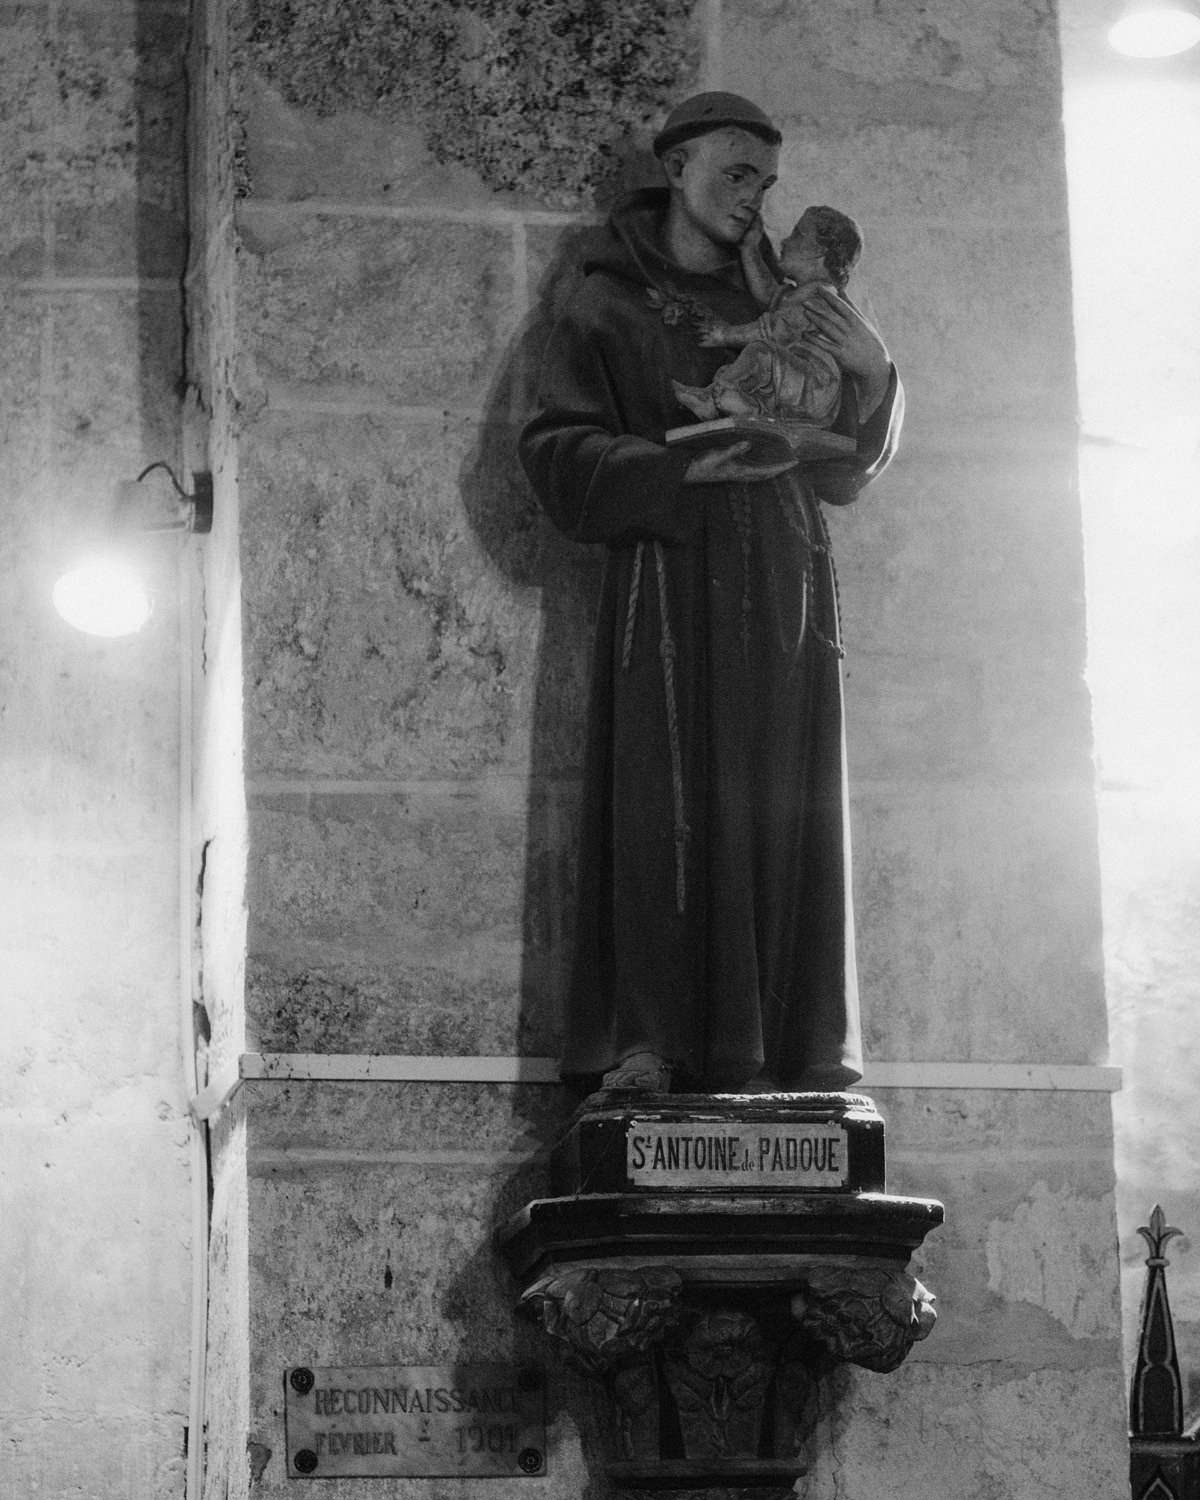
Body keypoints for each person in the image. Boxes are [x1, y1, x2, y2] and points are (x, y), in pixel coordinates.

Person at [518, 92, 903, 1093]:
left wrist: (874, 374)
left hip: (785, 577)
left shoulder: (790, 302)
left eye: (765, 183)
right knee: (667, 801)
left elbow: (850, 465)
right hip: (671, 579)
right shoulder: (604, 299)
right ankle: (655, 1042)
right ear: (677, 167)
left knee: (789, 801)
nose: (753, 200)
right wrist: (679, 470)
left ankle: (796, 1046)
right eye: (736, 175)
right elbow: (558, 454)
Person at [673, 206, 864, 429]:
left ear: (819, 251)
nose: (786, 241)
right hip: (798, 380)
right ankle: (738, 404)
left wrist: (725, 335)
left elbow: (774, 330)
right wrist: (749, 248)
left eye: (797, 235)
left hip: (813, 388)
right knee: (756, 363)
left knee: (760, 351)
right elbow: (768, 294)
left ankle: (724, 402)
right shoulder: (802, 294)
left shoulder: (820, 298)